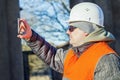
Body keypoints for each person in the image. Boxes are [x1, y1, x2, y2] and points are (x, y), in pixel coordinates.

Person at [17, 2, 120, 80]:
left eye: (71, 28)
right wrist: (31, 37)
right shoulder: (74, 53)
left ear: (86, 30)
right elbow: (52, 56)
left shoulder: (106, 59)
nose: (67, 31)